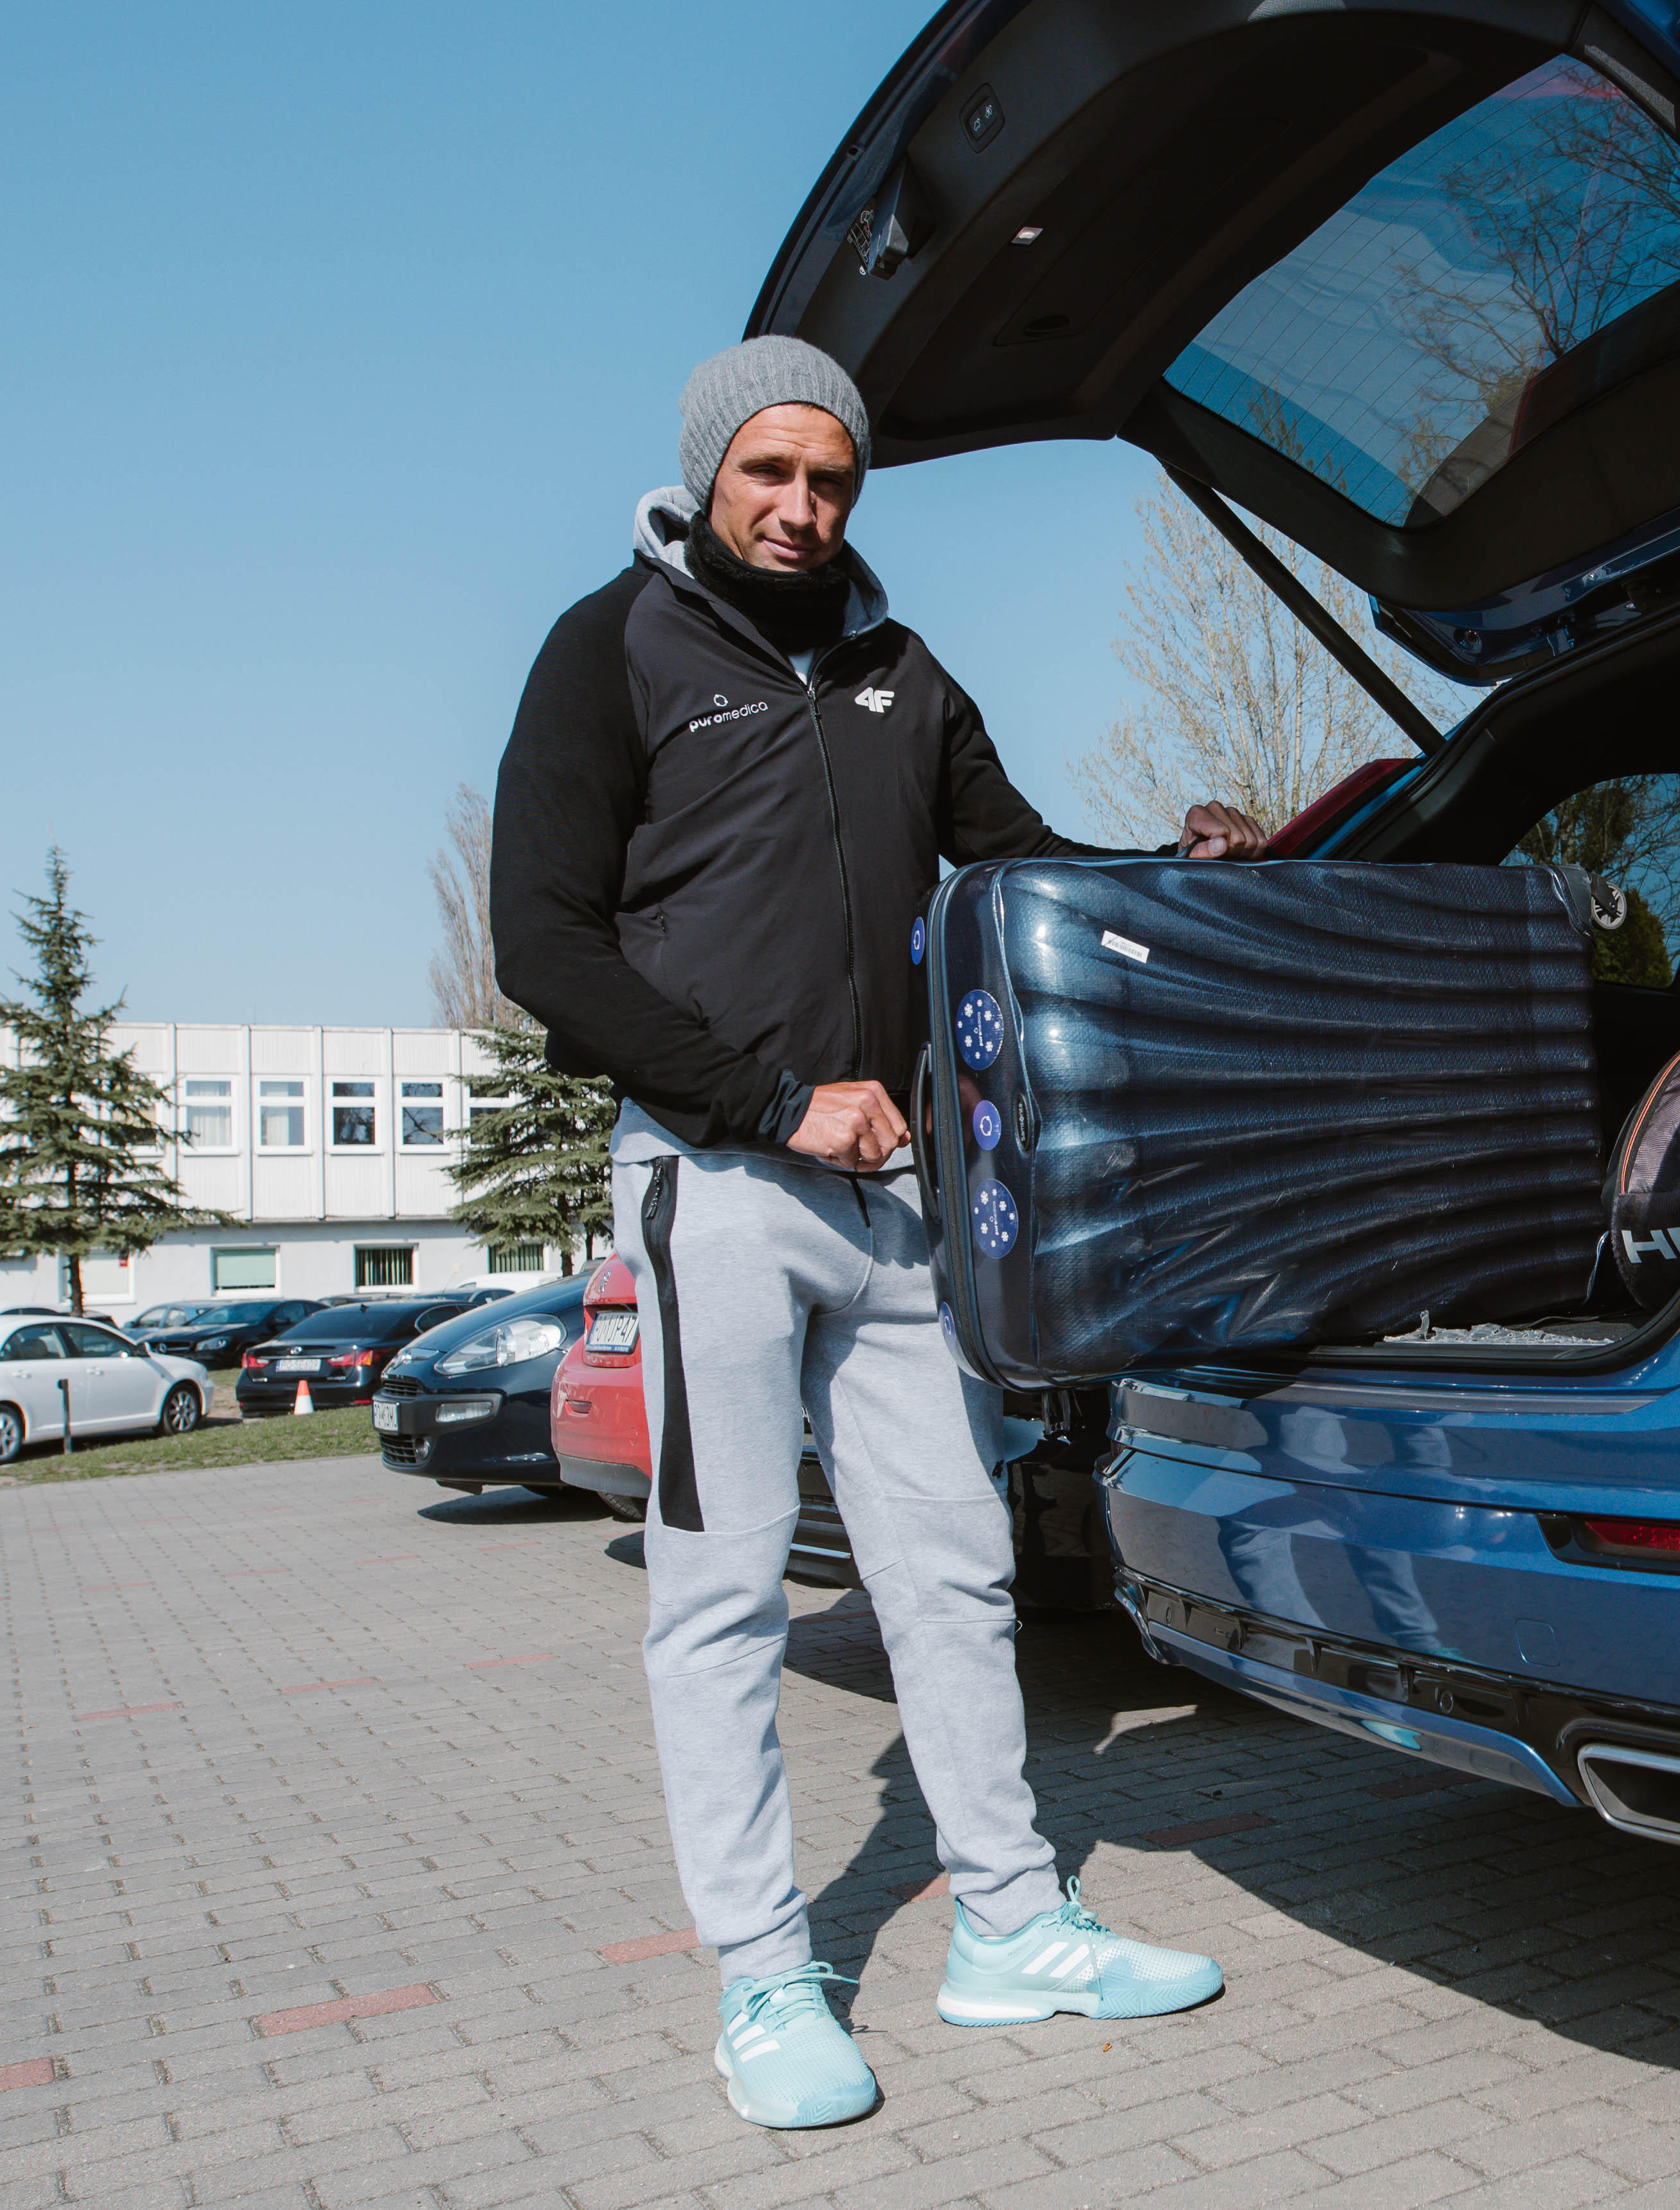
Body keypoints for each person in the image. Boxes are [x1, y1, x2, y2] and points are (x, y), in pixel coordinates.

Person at [491, 336, 1265, 2130]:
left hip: (898, 1200)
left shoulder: (899, 671)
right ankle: (764, 1975)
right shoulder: (611, 647)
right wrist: (770, 1102)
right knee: (722, 1590)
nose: (799, 508)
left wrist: (1181, 873)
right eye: (767, 473)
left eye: (829, 479)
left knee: (954, 1566)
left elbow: (1019, 874)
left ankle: (1008, 1926)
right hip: (719, 1184)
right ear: (708, 473)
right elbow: (544, 944)